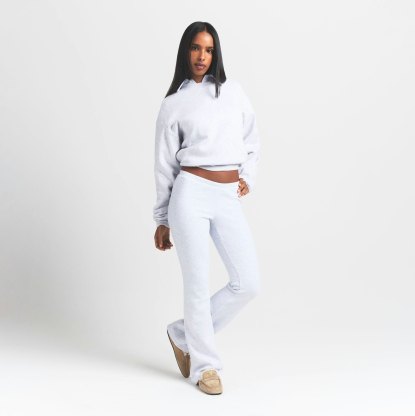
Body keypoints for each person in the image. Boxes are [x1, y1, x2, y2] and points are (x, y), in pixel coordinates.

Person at [153, 21, 261, 395]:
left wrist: (247, 175)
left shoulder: (233, 91)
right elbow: (164, 165)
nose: (202, 56)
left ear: (216, 54)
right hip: (190, 193)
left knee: (248, 282)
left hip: (227, 195)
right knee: (197, 284)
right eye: (196, 48)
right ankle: (205, 366)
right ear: (185, 51)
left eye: (209, 49)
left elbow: (252, 138)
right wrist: (162, 219)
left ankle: (183, 334)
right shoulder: (173, 104)